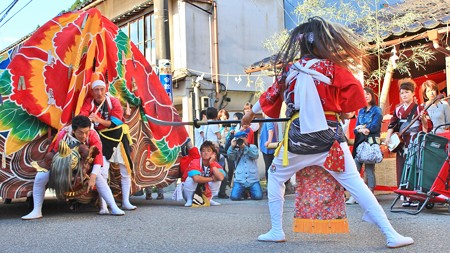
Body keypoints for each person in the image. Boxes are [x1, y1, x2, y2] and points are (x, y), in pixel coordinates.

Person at [241, 17, 414, 248]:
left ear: (301, 45)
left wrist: (249, 115)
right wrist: (342, 110)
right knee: (356, 185)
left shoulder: (290, 71)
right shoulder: (333, 69)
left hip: (298, 141)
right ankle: (391, 234)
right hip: (330, 141)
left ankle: (276, 229)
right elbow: (354, 91)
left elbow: (270, 95)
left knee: (276, 176)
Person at [22, 115, 125, 220]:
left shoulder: (93, 135)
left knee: (99, 177)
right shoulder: (64, 134)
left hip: (84, 165)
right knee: (40, 177)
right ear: (74, 130)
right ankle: (37, 210)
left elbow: (98, 158)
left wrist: (93, 177)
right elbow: (56, 154)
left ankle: (114, 207)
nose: (84, 136)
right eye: (80, 133)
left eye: (86, 132)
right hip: (62, 166)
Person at [79, 79, 137, 212]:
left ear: (105, 90)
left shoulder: (113, 101)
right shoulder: (90, 103)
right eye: (96, 90)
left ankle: (126, 201)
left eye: (101, 89)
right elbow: (82, 118)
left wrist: (98, 120)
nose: (99, 93)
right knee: (103, 172)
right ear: (92, 92)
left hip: (119, 137)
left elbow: (116, 121)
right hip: (102, 140)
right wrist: (88, 119)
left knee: (125, 170)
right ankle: (103, 206)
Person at [385, 78, 433, 207]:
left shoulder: (419, 109)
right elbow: (393, 124)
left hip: (414, 141)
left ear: (413, 93)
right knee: (402, 166)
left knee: (414, 167)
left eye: (407, 92)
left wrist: (423, 119)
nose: (404, 95)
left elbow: (427, 126)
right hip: (402, 143)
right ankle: (404, 195)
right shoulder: (398, 110)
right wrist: (388, 137)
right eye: (402, 93)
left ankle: (415, 195)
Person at [346, 87, 383, 205]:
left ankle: (370, 193)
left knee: (369, 169)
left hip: (371, 142)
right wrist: (362, 129)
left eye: (368, 94)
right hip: (359, 142)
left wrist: (363, 128)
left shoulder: (377, 110)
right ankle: (355, 195)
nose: (366, 96)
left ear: (372, 95)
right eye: (363, 94)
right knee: (355, 169)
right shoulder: (361, 111)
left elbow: (375, 127)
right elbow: (355, 129)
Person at [182, 141, 226, 207]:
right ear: (200, 153)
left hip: (205, 189)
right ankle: (190, 199)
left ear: (213, 154)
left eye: (208, 151)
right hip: (189, 190)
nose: (205, 153)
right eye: (203, 151)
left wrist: (211, 164)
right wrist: (211, 178)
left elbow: (221, 177)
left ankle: (208, 199)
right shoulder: (195, 162)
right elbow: (196, 178)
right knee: (191, 178)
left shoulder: (215, 164)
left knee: (217, 178)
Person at [227, 131, 263, 200]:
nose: (240, 141)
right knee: (234, 197)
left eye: (242, 139)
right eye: (239, 139)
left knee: (258, 196)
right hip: (240, 179)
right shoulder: (235, 149)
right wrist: (232, 147)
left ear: (246, 138)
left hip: (252, 179)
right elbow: (230, 157)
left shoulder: (252, 147)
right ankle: (243, 192)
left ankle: (248, 192)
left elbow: (255, 155)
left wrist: (245, 147)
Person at [259, 113, 278, 184]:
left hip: (268, 149)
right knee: (272, 168)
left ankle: (270, 186)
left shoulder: (269, 118)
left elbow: (270, 129)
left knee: (269, 169)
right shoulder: (272, 118)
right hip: (269, 149)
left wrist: (269, 141)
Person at [217, 109, 230, 199]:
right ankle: (221, 191)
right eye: (221, 116)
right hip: (220, 148)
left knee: (229, 168)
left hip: (228, 147)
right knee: (221, 169)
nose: (223, 117)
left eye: (225, 115)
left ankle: (225, 188)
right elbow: (218, 138)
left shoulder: (229, 125)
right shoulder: (216, 126)